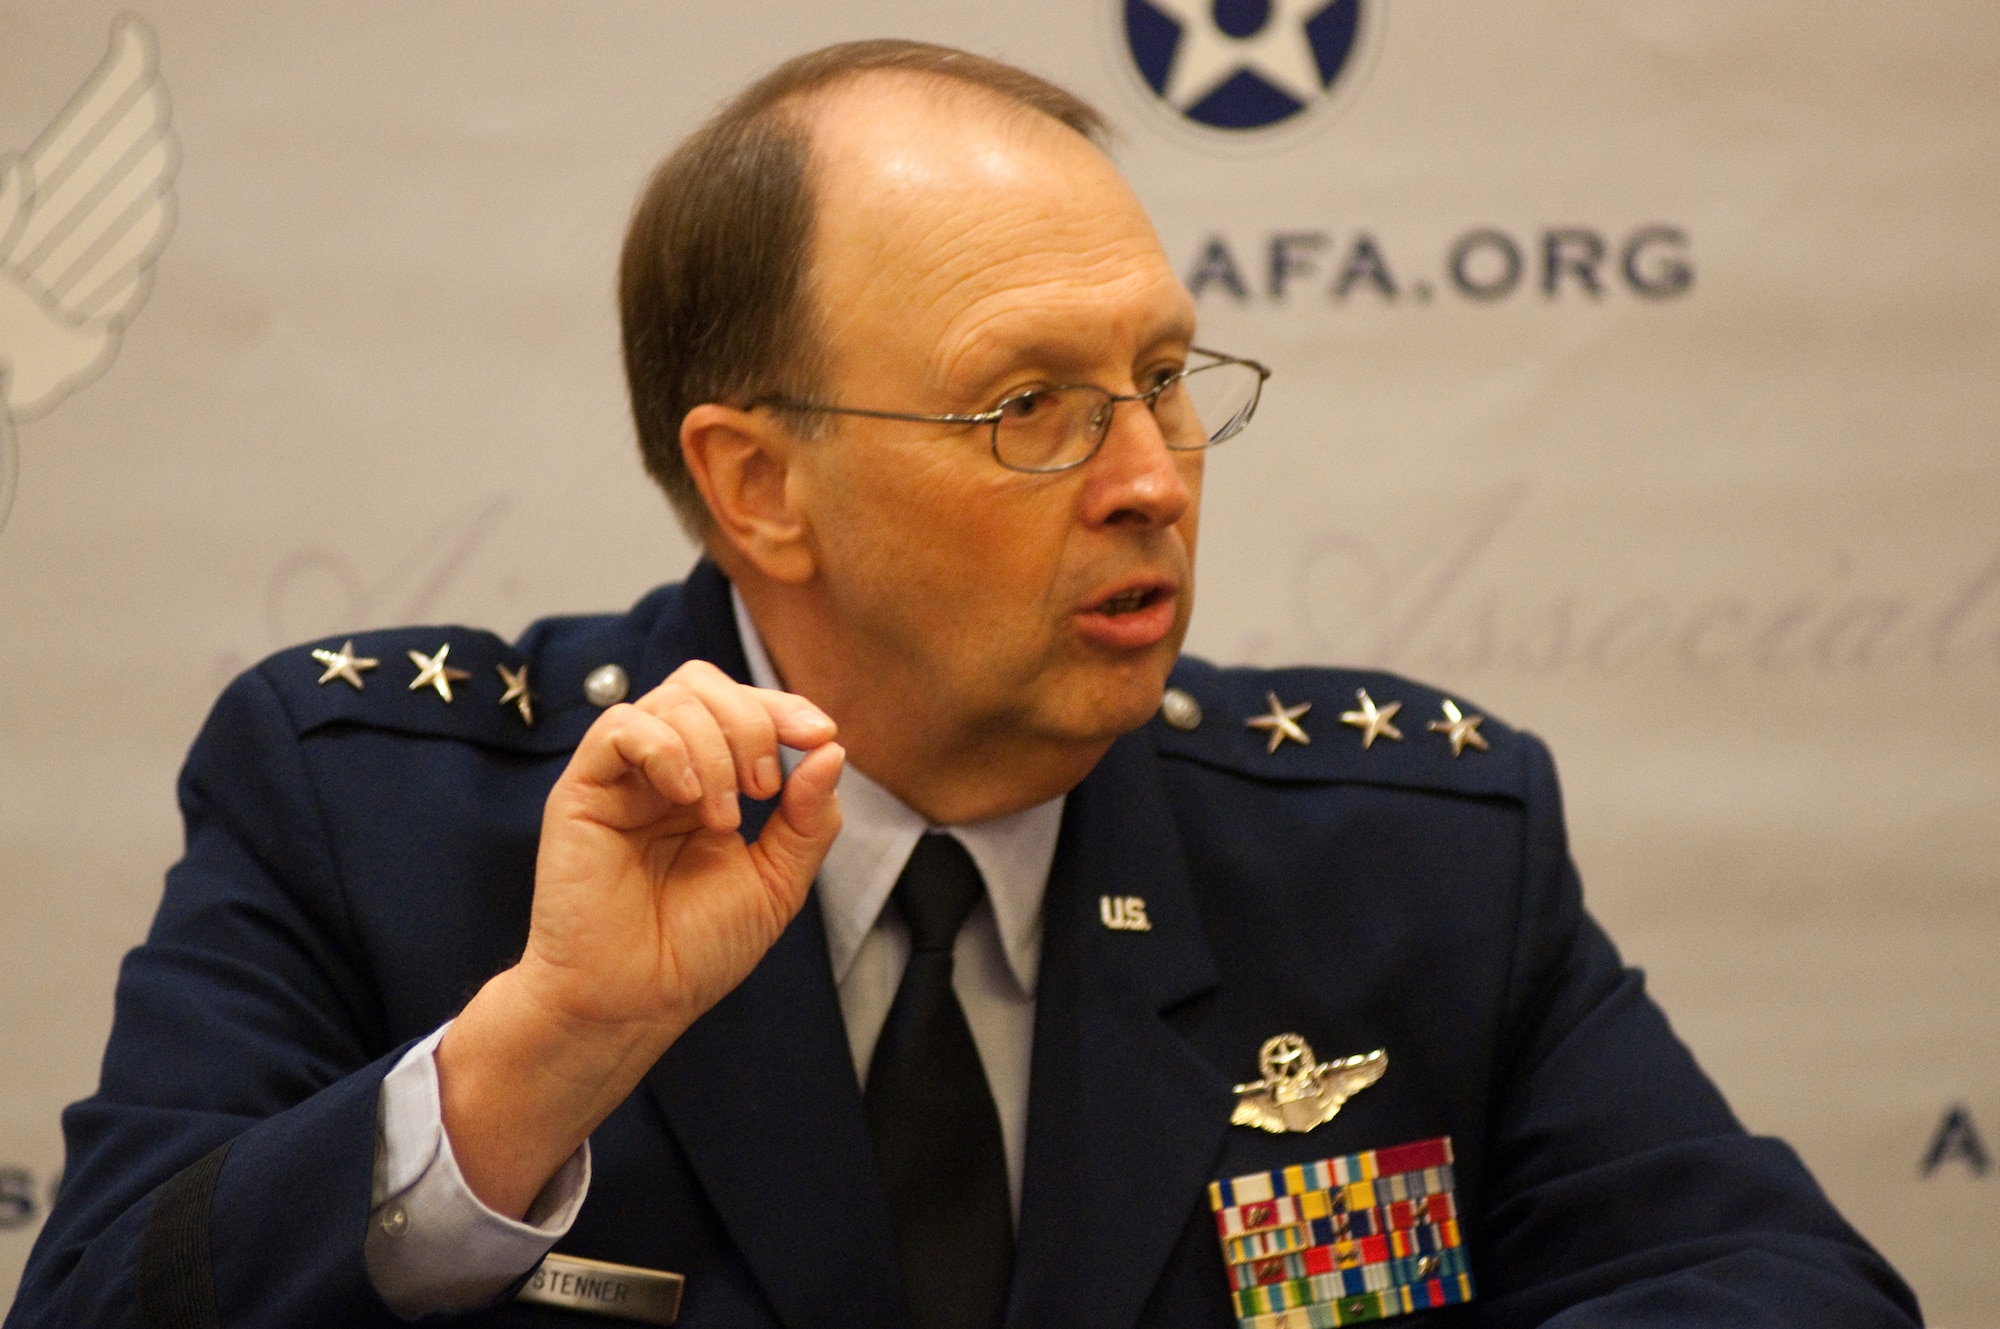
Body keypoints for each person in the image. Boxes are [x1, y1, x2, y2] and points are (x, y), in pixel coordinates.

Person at [8, 39, 1919, 1329]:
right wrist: (544, 1051)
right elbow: (100, 1300)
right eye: (1030, 407)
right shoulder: (374, 804)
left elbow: (1785, 1287)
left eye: (1162, 378)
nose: (1153, 475)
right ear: (761, 486)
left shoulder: (1411, 846)